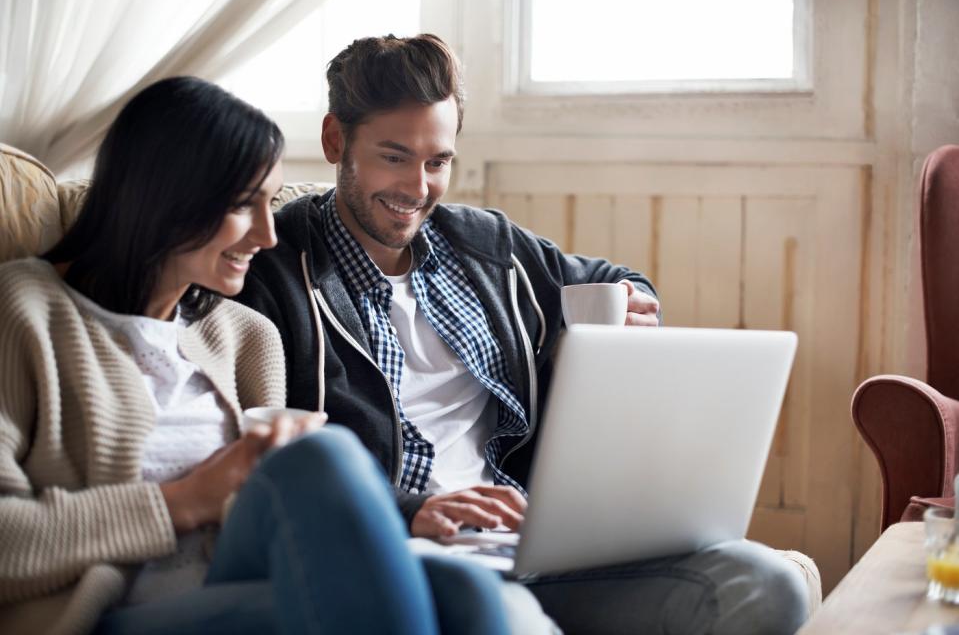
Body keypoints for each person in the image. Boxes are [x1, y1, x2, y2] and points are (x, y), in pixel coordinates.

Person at [235, 33, 813, 634]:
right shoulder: (274, 271)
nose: (417, 187)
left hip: (530, 545)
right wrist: (410, 511)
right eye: (394, 156)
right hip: (404, 556)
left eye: (438, 162)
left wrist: (637, 307)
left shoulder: (487, 248)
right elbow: (271, 464)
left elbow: (611, 279)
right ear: (336, 140)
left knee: (764, 581)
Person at [0, 76, 511, 635]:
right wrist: (184, 500)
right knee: (328, 484)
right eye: (246, 207)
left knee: (467, 591)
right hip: (107, 610)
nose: (268, 236)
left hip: (232, 578)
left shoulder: (244, 336)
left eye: (270, 204)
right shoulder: (24, 313)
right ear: (167, 196)